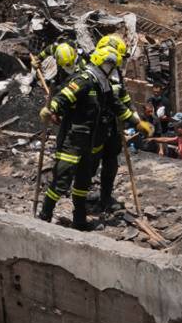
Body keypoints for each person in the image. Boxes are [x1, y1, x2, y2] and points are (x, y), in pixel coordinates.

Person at [37, 45, 109, 230]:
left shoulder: (96, 79)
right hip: (72, 140)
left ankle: (79, 220)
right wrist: (52, 109)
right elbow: (64, 97)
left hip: (88, 141)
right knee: (61, 180)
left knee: (83, 182)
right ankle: (44, 216)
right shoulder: (82, 80)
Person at [84, 34, 153, 215]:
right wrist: (133, 120)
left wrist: (136, 119)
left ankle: (106, 198)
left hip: (112, 127)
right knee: (89, 164)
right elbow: (111, 101)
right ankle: (80, 198)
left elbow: (123, 97)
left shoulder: (115, 74)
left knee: (111, 163)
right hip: (94, 127)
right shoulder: (90, 73)